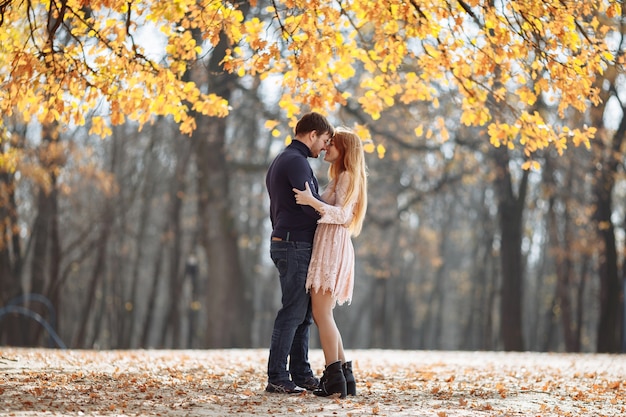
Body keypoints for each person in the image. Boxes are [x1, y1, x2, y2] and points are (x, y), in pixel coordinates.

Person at [293, 127, 368, 398]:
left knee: (321, 313)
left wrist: (312, 201)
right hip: (330, 243)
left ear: (345, 150)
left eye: (332, 144)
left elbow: (344, 215)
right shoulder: (340, 178)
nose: (326, 147)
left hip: (334, 244)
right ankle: (344, 377)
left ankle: (333, 375)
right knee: (325, 314)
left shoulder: (348, 176)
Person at [265, 112, 335, 394]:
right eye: (325, 140)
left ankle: (301, 373)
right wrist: (333, 215)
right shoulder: (295, 161)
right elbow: (309, 205)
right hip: (293, 243)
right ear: (312, 134)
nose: (325, 147)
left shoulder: (289, 159)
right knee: (293, 311)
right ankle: (278, 376)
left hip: (292, 242)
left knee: (303, 313)